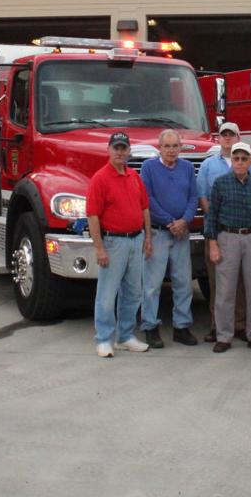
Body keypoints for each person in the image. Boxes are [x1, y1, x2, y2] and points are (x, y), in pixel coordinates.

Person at [86, 131, 153, 358]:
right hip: (113, 242)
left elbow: (144, 208)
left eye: (124, 148)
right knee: (107, 293)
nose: (120, 152)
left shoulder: (134, 177)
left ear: (129, 151)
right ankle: (104, 339)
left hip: (136, 240)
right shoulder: (100, 179)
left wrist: (148, 238)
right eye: (116, 148)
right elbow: (93, 216)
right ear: (108, 150)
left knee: (134, 293)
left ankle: (125, 336)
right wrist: (99, 248)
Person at [204, 141, 251, 353]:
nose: (240, 162)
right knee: (225, 290)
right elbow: (212, 216)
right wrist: (213, 245)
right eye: (236, 158)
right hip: (227, 237)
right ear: (232, 160)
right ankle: (224, 336)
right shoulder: (220, 184)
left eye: (244, 158)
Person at [197, 121, 251, 343]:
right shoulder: (207, 165)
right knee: (218, 283)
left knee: (243, 282)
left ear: (238, 137)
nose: (227, 138)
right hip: (218, 231)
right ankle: (217, 327)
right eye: (223, 134)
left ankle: (240, 326)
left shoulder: (250, 165)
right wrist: (216, 219)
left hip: (244, 233)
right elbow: (203, 196)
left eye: (231, 134)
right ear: (219, 137)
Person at [139, 129, 199, 348]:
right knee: (152, 285)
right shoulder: (148, 168)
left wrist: (185, 220)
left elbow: (193, 196)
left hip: (182, 234)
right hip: (158, 233)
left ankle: (181, 327)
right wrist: (168, 221)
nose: (172, 150)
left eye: (175, 146)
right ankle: (150, 327)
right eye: (167, 146)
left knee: (183, 283)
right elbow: (147, 199)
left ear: (180, 148)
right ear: (160, 147)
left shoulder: (188, 168)